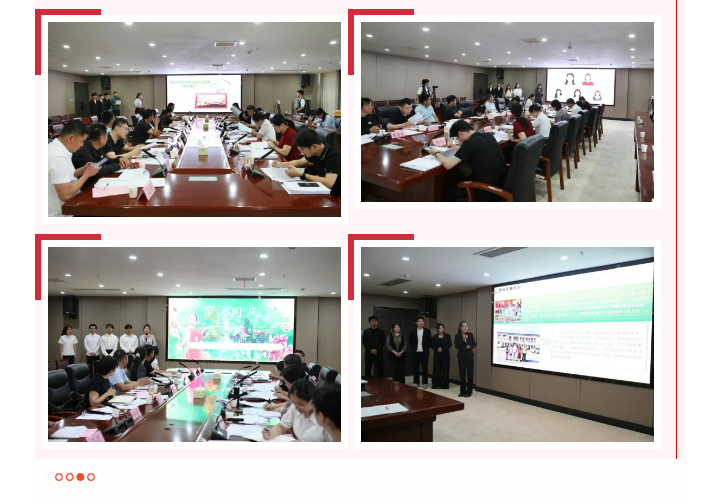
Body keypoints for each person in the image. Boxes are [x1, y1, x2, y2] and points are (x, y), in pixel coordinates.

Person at [427, 119, 509, 202]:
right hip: (502, 184)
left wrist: (436, 152)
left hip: (488, 191)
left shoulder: (469, 143)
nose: (459, 141)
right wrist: (458, 148)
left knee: (449, 190)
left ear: (461, 133)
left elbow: (448, 165)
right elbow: (475, 150)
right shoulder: (488, 136)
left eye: (457, 138)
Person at [48, 120, 102, 217]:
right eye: (81, 141)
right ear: (71, 138)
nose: (82, 145)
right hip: (63, 213)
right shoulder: (58, 157)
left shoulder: (56, 148)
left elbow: (66, 174)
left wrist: (82, 170)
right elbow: (65, 195)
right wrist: (86, 174)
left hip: (70, 205)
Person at [273, 129, 341, 198]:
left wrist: (301, 174)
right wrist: (280, 164)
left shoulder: (335, 156)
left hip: (334, 196)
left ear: (314, 147)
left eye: (302, 149)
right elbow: (299, 162)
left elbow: (329, 183)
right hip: (321, 189)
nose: (301, 153)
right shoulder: (314, 152)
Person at [262, 379, 330, 442]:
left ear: (313, 401)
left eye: (301, 404)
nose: (297, 408)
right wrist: (273, 432)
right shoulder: (295, 407)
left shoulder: (326, 417)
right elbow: (282, 426)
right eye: (293, 403)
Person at [454, 321, 476, 397]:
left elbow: (474, 344)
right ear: (460, 327)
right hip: (461, 357)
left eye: (467, 326)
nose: (466, 327)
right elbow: (457, 346)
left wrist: (470, 346)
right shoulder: (457, 336)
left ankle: (469, 392)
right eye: (464, 326)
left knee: (470, 374)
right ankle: (462, 391)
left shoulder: (470, 334)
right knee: (462, 375)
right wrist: (463, 340)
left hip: (470, 357)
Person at [408, 316, 431, 388]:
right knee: (416, 367)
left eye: (422, 321)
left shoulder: (427, 331)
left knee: (425, 368)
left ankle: (425, 383)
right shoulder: (413, 331)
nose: (421, 322)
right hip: (416, 352)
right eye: (420, 321)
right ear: (416, 323)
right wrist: (415, 348)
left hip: (424, 352)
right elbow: (411, 342)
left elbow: (429, 342)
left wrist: (426, 349)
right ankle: (416, 382)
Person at [430, 323, 451, 389]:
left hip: (445, 356)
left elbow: (449, 344)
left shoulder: (447, 336)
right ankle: (436, 384)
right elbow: (432, 345)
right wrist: (437, 349)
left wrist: (442, 349)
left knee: (445, 370)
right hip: (437, 356)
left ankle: (445, 384)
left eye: (442, 328)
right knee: (436, 370)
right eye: (440, 328)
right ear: (437, 329)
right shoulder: (434, 337)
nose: (441, 329)